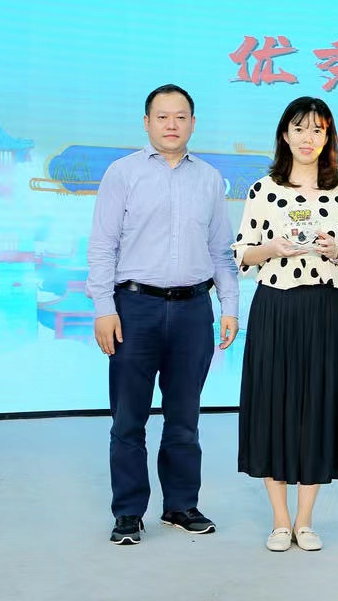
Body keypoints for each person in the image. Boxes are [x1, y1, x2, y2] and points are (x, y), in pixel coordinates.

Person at [87, 83, 240, 545]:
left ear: (192, 123)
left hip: (193, 309)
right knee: (128, 418)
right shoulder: (122, 173)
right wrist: (104, 308)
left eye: (180, 116)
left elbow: (221, 250)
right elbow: (103, 245)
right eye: (162, 116)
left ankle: (180, 505)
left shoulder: (209, 178)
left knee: (184, 417)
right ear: (147, 122)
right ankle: (128, 512)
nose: (171, 124)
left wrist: (229, 306)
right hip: (135, 308)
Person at [233, 97, 338, 553]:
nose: (308, 138)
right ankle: (280, 520)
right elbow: (242, 253)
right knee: (272, 405)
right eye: (300, 128)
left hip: (325, 308)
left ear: (328, 138)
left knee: (317, 407)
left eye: (317, 130)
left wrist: (333, 250)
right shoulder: (262, 189)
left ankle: (305, 520)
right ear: (285, 135)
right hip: (275, 306)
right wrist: (274, 248)